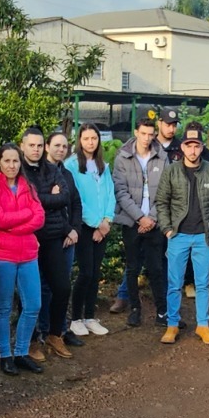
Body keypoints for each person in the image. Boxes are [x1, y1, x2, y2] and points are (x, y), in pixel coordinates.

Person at [156, 121, 209, 346]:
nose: (193, 150)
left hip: (203, 236)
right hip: (178, 235)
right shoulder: (172, 171)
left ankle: (203, 325)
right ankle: (172, 325)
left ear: (202, 147)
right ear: (182, 147)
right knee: (174, 283)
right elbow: (162, 201)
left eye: (197, 146)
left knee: (202, 283)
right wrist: (166, 228)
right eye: (189, 146)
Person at [0, 142, 46, 374]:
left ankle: (21, 352)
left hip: (28, 253)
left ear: (21, 163)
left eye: (15, 161)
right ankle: (4, 355)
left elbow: (39, 217)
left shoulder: (27, 186)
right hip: (2, 255)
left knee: (33, 305)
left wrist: (16, 224)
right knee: (3, 307)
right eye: (7, 160)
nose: (11, 165)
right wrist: (26, 216)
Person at [22, 127, 83, 360]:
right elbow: (30, 199)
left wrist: (46, 197)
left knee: (62, 287)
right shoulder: (19, 170)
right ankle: (28, 341)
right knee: (31, 293)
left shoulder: (54, 169)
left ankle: (55, 334)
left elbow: (65, 196)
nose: (36, 149)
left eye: (39, 145)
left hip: (55, 237)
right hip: (30, 239)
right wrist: (50, 197)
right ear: (23, 146)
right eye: (32, 145)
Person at [113, 117, 169, 328]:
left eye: (150, 134)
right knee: (133, 267)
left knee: (156, 268)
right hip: (131, 222)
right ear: (136, 132)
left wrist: (152, 218)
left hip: (155, 223)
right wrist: (140, 217)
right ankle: (135, 308)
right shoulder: (122, 158)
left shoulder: (162, 157)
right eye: (143, 133)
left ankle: (162, 311)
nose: (147, 138)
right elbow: (121, 191)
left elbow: (166, 190)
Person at [65, 124, 117, 336]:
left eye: (94, 138)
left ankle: (90, 317)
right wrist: (96, 223)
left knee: (95, 274)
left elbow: (110, 194)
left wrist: (107, 221)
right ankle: (75, 318)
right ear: (79, 141)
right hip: (84, 227)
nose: (90, 142)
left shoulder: (103, 165)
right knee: (85, 273)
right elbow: (76, 199)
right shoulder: (71, 165)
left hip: (102, 227)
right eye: (86, 138)